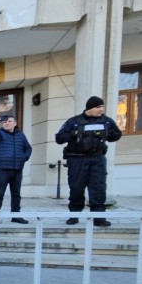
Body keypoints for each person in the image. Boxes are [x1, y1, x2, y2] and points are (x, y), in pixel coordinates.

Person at [55, 96, 122, 227]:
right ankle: (74, 215)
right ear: (90, 108)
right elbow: (59, 138)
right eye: (98, 107)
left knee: (99, 188)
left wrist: (110, 133)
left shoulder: (106, 121)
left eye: (102, 107)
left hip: (97, 159)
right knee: (76, 188)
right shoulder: (74, 121)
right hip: (77, 159)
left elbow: (117, 135)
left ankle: (99, 218)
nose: (101, 110)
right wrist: (73, 134)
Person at [0, 114, 31, 224]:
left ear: (15, 123)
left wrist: (24, 158)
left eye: (9, 121)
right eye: (5, 121)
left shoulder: (21, 135)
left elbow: (28, 148)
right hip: (2, 170)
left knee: (16, 194)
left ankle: (15, 216)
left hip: (17, 170)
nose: (6, 123)